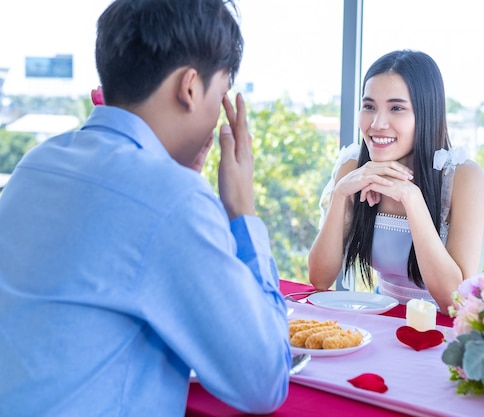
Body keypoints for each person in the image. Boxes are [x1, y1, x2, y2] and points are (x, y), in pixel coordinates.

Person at [0, 1, 291, 416]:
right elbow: (264, 382)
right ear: (189, 87)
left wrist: (177, 177)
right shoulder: (173, 199)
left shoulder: (37, 164)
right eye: (221, 94)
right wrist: (243, 210)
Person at [309, 49, 484, 314]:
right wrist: (340, 196)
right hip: (381, 320)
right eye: (369, 106)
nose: (377, 123)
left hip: (440, 331)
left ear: (426, 114)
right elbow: (319, 279)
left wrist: (412, 199)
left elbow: (454, 301)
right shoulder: (354, 168)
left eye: (396, 108)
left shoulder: (463, 176)